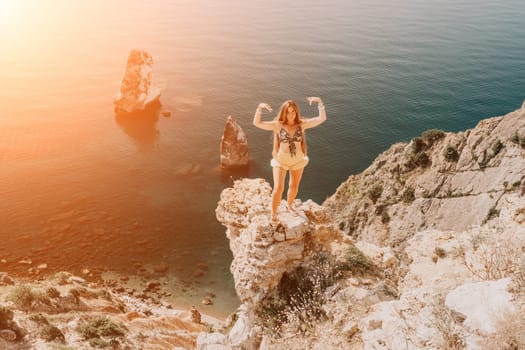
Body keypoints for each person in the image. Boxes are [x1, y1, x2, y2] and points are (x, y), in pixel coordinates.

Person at [253, 97, 327, 223]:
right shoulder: (278, 125)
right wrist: (260, 108)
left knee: (293, 186)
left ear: (296, 112)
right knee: (278, 188)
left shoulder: (301, 124)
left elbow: (321, 119)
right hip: (281, 161)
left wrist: (320, 102)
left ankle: (290, 206)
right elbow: (257, 123)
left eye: (293, 111)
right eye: (288, 111)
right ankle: (273, 213)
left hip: (298, 161)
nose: (291, 114)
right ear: (284, 112)